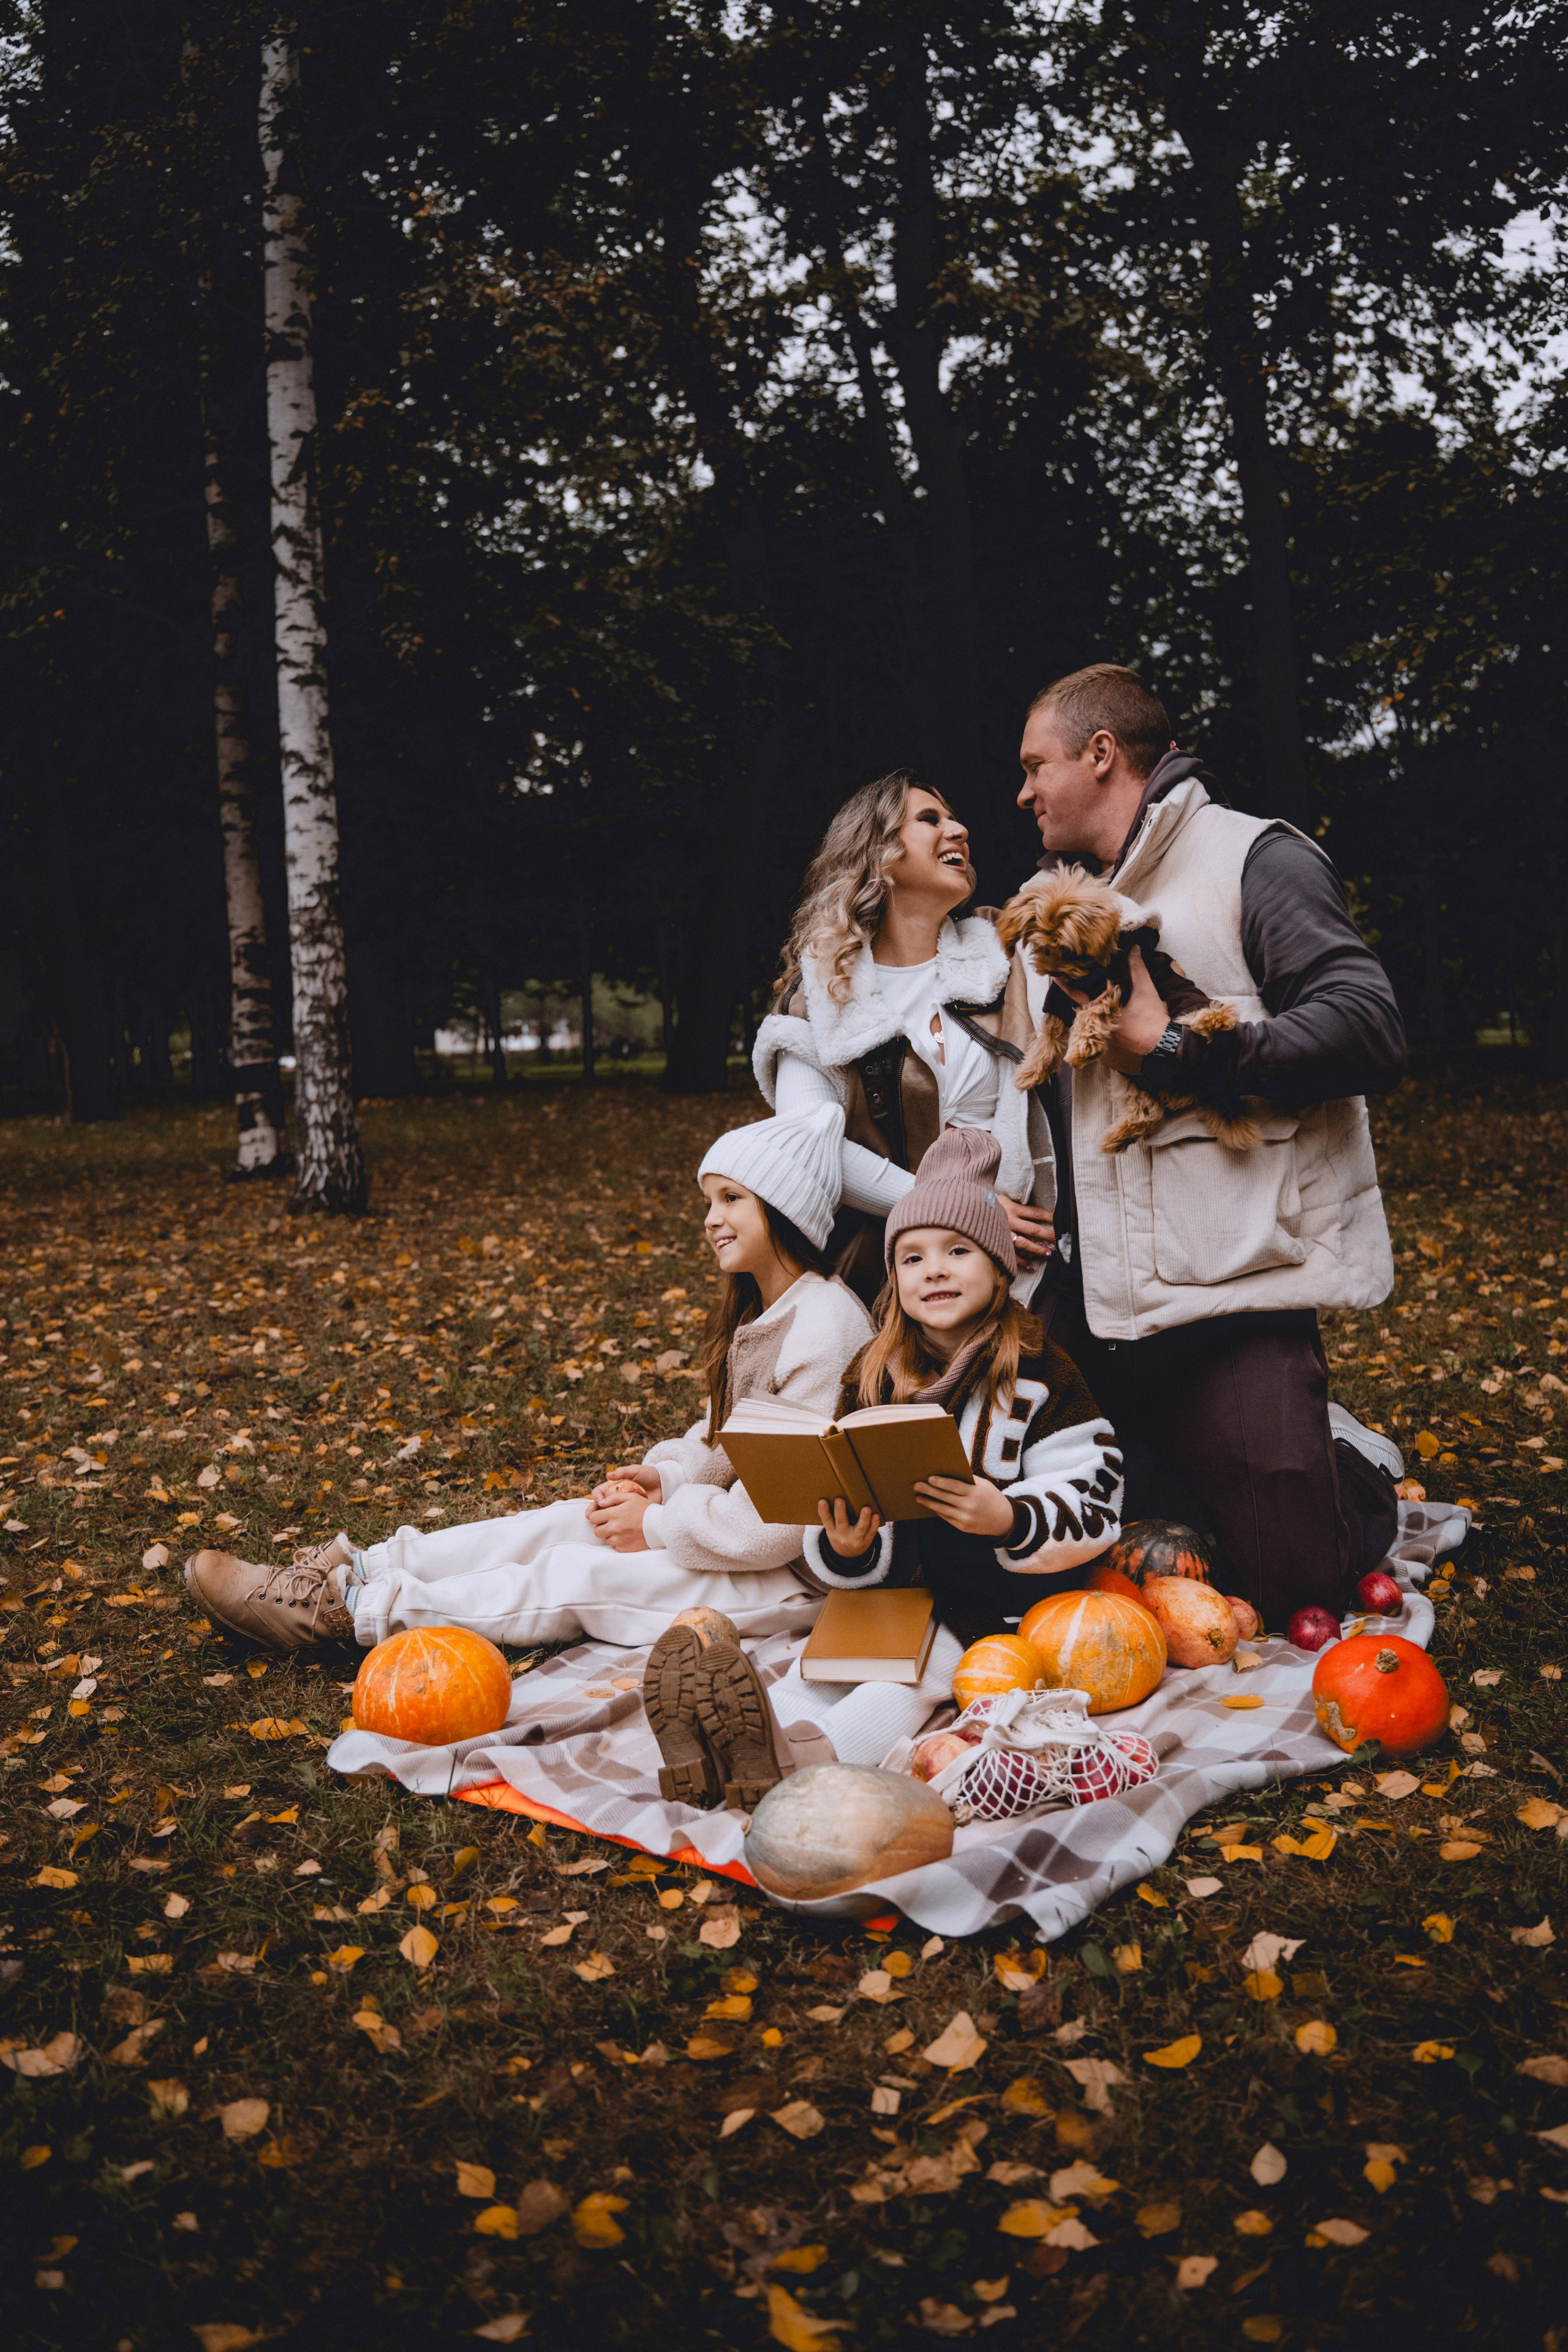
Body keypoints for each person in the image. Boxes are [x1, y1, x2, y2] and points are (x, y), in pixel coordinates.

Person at [1009, 662, 1406, 1626]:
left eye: (1035, 766)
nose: (1021, 793)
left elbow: (1369, 1026)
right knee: (1006, 1544)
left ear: (1102, 754)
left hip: (1231, 1281)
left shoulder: (1253, 859)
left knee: (1286, 1584)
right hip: (1085, 1292)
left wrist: (1177, 1047)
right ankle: (1172, 1466)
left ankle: (1338, 1458)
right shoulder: (1049, 908)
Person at [182, 1104, 873, 1657]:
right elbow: (732, 1439)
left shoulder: (824, 1326)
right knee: (560, 1523)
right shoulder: (767, 1310)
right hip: (728, 1533)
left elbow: (781, 1515)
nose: (709, 1219)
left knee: (576, 1574)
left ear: (783, 1211)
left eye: (730, 1199)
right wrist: (667, 1476)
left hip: (793, 1576)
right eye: (708, 1200)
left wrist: (657, 1525)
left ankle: (348, 1615)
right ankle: (361, 1567)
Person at [647, 1127, 1124, 1802]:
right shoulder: (873, 1376)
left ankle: (807, 1760)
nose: (934, 1270)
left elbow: (1096, 1493)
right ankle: (726, 1748)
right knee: (824, 1666)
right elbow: (840, 1486)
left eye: (958, 1251)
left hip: (992, 1608)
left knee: (909, 1678)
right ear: (894, 1277)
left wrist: (1010, 1516)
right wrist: (846, 1545)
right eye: (912, 1258)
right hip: (887, 1594)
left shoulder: (1040, 1373)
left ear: (997, 1266)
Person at [752, 769, 1054, 1305]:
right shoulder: (823, 988)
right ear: (881, 854)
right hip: (885, 1268)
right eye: (930, 819)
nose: (959, 829)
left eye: (955, 818)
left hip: (1028, 1258)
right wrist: (960, 1208)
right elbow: (810, 1144)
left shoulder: (1006, 957)